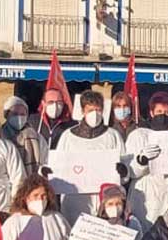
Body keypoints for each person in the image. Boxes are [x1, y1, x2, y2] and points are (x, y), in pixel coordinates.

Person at [52, 91, 130, 224]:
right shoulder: (68, 136)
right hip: (75, 200)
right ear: (83, 111)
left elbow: (125, 168)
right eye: (90, 110)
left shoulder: (112, 135)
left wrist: (123, 171)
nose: (95, 113)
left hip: (105, 201)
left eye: (98, 110)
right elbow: (59, 167)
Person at [123, 92, 168, 225]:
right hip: (146, 191)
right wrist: (142, 160)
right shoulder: (138, 135)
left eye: (166, 112)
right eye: (159, 111)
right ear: (151, 113)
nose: (163, 115)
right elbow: (130, 170)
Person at [0, 96, 45, 178]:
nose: (19, 117)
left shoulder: (37, 137)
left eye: (22, 114)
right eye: (15, 114)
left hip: (32, 184)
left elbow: (45, 160)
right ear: (6, 115)